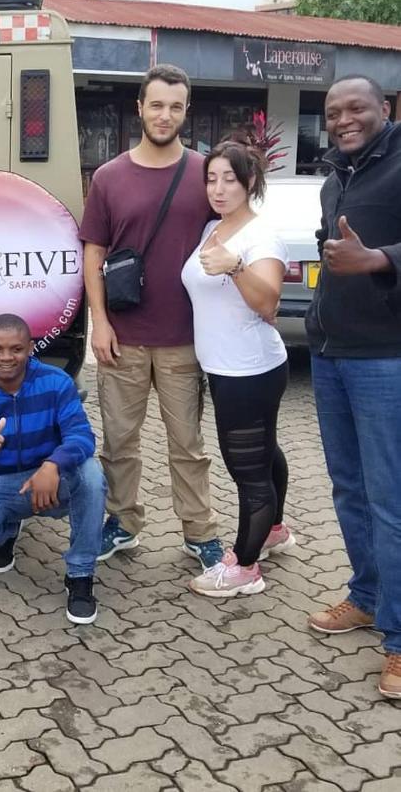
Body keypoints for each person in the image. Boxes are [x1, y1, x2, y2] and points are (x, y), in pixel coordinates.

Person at [79, 64, 222, 568]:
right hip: (124, 337)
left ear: (186, 112)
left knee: (188, 443)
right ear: (139, 107)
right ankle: (122, 522)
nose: (165, 115)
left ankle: (199, 531)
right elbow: (92, 253)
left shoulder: (206, 174)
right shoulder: (109, 177)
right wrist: (99, 322)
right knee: (119, 442)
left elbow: (232, 233)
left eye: (175, 106)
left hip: (185, 337)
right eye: (156, 104)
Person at [303, 76, 401, 700]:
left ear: (385, 109)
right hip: (330, 355)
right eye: (334, 111)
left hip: (384, 359)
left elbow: (367, 259)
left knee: (391, 500)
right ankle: (366, 597)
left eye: (356, 108)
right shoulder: (335, 176)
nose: (343, 119)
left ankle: (399, 639)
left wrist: (381, 259)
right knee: (349, 490)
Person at [181, 140, 293, 597]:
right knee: (266, 452)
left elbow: (268, 303)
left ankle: (245, 568)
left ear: (250, 182)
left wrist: (235, 266)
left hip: (251, 371)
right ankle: (274, 531)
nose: (219, 188)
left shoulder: (261, 237)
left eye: (230, 179)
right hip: (227, 369)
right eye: (211, 178)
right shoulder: (213, 226)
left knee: (246, 468)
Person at [0, 314, 107, 624]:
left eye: (16, 349)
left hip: (48, 480)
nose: (6, 357)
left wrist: (52, 465)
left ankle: (80, 575)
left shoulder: (56, 381)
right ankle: (7, 529)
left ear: (30, 348)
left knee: (91, 475)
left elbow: (82, 436)